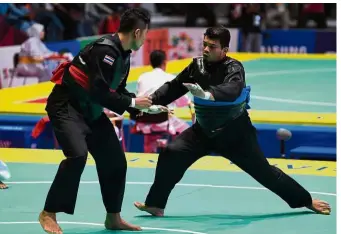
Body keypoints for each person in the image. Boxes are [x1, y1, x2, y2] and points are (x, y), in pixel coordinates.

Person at [134, 26, 331, 217]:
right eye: (204, 44)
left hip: (235, 134)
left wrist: (208, 94)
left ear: (224, 50)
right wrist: (150, 101)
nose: (206, 49)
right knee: (171, 152)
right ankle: (155, 204)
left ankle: (306, 200)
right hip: (202, 131)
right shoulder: (196, 66)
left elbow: (233, 90)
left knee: (265, 173)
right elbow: (174, 87)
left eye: (212, 46)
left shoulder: (234, 67)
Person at [38, 8, 168, 234]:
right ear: (137, 32)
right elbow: (100, 91)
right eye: (146, 33)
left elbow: (117, 90)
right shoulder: (104, 50)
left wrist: (145, 108)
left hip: (92, 111)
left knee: (115, 161)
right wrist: (134, 102)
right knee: (77, 155)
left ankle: (113, 218)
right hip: (67, 106)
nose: (146, 38)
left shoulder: (124, 55)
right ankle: (48, 212)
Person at [136, 50, 192, 153]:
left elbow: (139, 101)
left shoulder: (142, 77)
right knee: (188, 131)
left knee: (150, 121)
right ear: (165, 62)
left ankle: (149, 152)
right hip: (164, 121)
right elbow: (184, 102)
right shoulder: (170, 78)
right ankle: (175, 154)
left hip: (142, 122)